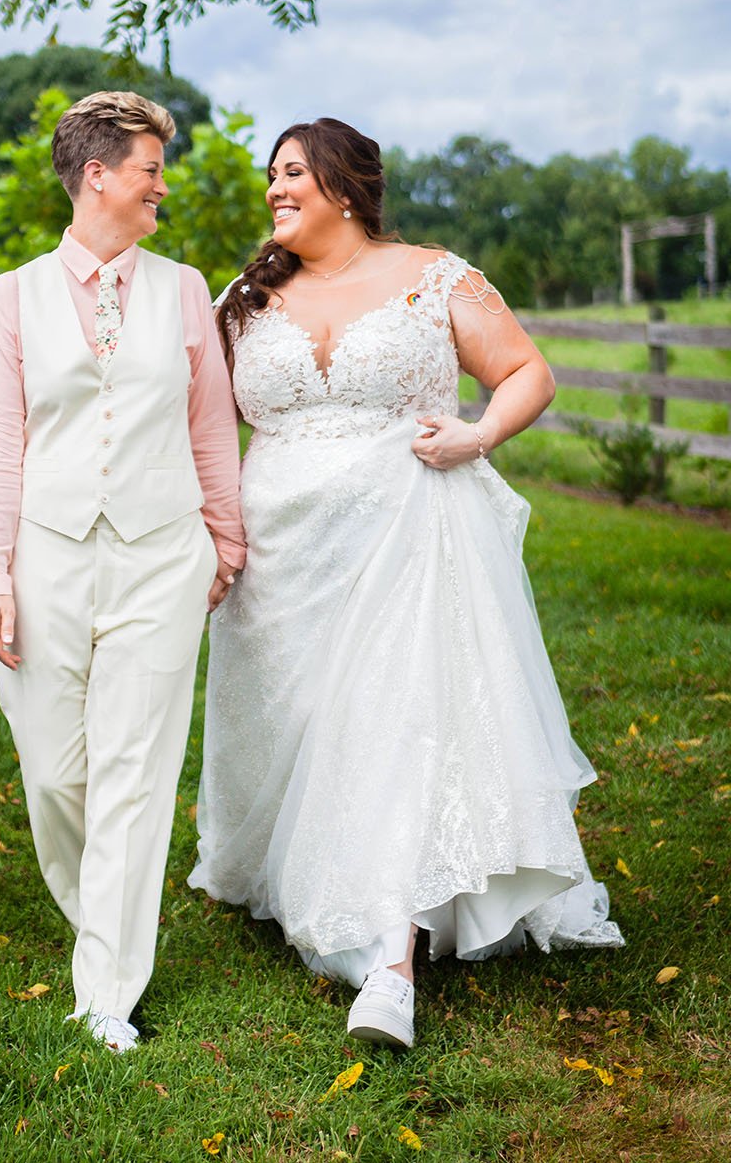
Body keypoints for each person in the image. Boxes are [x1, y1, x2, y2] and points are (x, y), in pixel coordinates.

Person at [189, 117, 623, 1049]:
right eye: (272, 177)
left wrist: (477, 435)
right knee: (297, 734)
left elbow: (526, 373)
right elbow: (201, 424)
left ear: (345, 187)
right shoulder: (243, 297)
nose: (274, 189)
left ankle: (389, 962)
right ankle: (300, 874)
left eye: (293, 174)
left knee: (392, 728)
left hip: (407, 534)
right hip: (280, 560)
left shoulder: (434, 276)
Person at [0, 90, 244, 1053]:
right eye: (150, 169)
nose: (163, 186)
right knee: (54, 774)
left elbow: (211, 425)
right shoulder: (12, 297)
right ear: (98, 176)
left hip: (164, 554)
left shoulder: (183, 289)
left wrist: (227, 534)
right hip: (45, 552)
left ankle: (107, 993)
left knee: (135, 772)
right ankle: (103, 920)